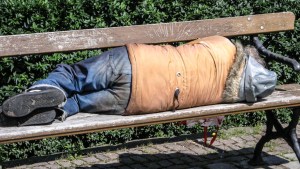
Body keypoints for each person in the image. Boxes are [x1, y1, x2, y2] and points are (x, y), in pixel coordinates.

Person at [0, 36, 277, 126]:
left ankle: (43, 91)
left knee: (72, 75)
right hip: (138, 102)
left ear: (249, 57)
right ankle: (58, 110)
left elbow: (190, 48)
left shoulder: (224, 46)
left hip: (137, 62)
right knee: (79, 102)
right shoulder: (229, 96)